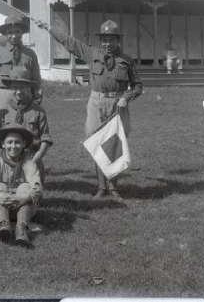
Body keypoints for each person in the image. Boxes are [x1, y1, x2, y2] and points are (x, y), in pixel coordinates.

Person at [34, 18, 142, 199]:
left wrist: (126, 97)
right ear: (101, 41)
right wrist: (49, 28)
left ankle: (113, 188)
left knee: (115, 145)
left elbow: (138, 86)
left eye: (112, 39)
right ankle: (101, 187)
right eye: (105, 39)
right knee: (97, 143)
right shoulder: (92, 53)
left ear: (118, 40)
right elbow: (69, 42)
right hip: (96, 103)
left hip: (118, 104)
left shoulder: (127, 60)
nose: (108, 43)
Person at [0, 123, 42, 248]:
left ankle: (21, 230)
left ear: (24, 143)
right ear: (3, 144)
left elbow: (38, 189)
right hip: (1, 207)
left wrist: (22, 198)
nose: (13, 146)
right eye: (9, 142)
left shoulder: (29, 163)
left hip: (23, 206)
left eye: (17, 142)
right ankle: (4, 226)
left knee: (25, 187)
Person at [0, 67, 53, 185]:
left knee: (32, 197)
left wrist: (36, 158)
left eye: (22, 87)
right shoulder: (3, 111)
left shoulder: (38, 111)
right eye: (15, 88)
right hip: (9, 156)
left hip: (31, 156)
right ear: (10, 88)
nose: (18, 91)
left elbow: (45, 138)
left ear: (28, 88)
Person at [0, 14, 42, 121]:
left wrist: (35, 103)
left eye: (17, 32)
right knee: (3, 130)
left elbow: (37, 82)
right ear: (5, 34)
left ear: (22, 33)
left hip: (25, 97)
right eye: (10, 33)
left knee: (25, 130)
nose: (14, 36)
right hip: (3, 97)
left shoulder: (30, 54)